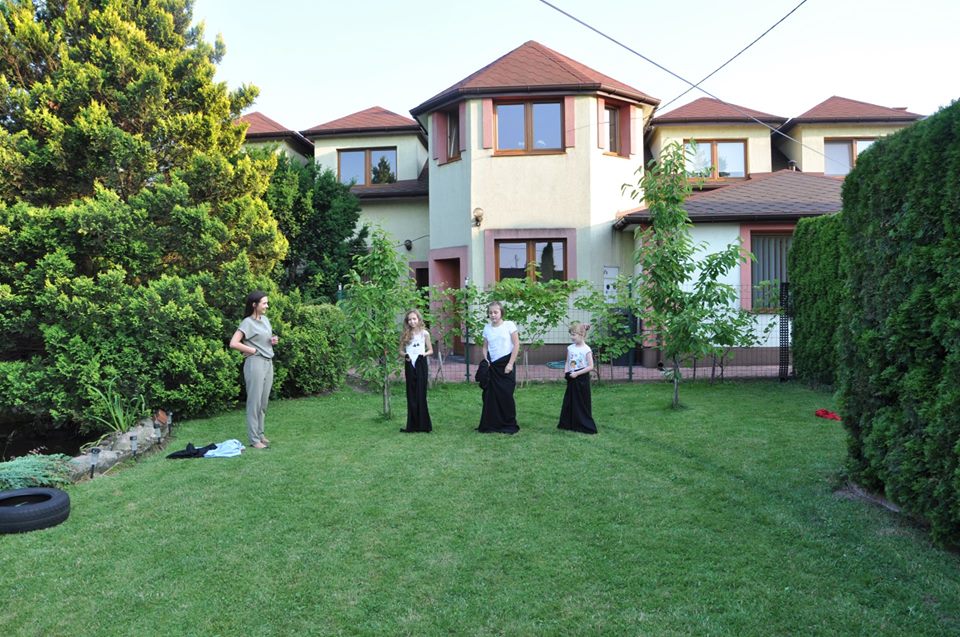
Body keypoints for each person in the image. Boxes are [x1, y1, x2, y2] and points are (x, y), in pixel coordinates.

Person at [229, 291, 278, 449]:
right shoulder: (247, 323)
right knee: (254, 402)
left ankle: (260, 434)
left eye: (267, 303)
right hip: (255, 363)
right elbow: (233, 343)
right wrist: (252, 350)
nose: (267, 306)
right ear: (254, 305)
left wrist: (272, 341)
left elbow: (262, 340)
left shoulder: (265, 320)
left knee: (263, 402)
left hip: (268, 362)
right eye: (264, 303)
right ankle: (254, 439)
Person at [477, 301, 520, 434]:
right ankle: (492, 424)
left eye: (496, 312)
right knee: (490, 396)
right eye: (490, 312)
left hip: (506, 364)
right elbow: (485, 347)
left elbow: (516, 345)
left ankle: (507, 423)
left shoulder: (509, 325)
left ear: (501, 312)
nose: (493, 315)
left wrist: (510, 364)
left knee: (506, 395)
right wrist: (486, 360)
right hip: (493, 365)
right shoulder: (487, 328)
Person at [558, 322, 598, 434]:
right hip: (571, 376)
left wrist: (577, 373)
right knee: (570, 401)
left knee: (581, 402)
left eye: (574, 334)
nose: (572, 337)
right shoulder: (570, 348)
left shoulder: (586, 349)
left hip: (582, 379)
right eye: (571, 334)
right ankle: (569, 424)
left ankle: (583, 425)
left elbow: (590, 366)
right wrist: (566, 371)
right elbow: (567, 361)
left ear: (582, 335)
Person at [399, 309, 433, 433]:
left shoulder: (425, 334)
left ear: (418, 319)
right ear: (407, 321)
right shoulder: (405, 334)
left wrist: (424, 354)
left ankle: (424, 425)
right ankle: (412, 425)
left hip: (420, 363)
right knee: (411, 394)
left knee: (421, 394)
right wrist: (405, 355)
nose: (412, 321)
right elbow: (400, 351)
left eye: (414, 319)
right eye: (409, 319)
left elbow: (431, 350)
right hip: (410, 364)